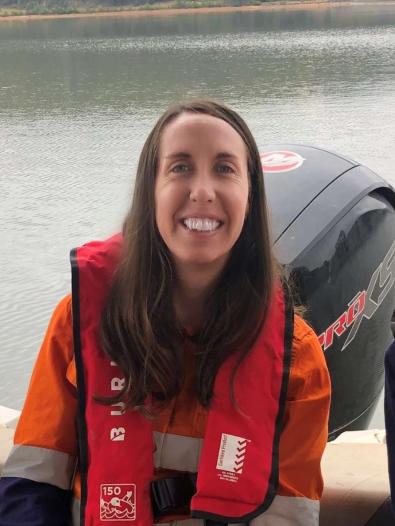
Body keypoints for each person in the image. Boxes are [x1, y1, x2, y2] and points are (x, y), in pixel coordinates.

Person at [0, 100, 331, 526]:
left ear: (250, 198)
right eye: (180, 167)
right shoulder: (77, 324)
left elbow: (288, 515)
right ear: (150, 192)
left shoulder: (297, 359)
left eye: (225, 168)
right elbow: (33, 484)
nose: (203, 191)